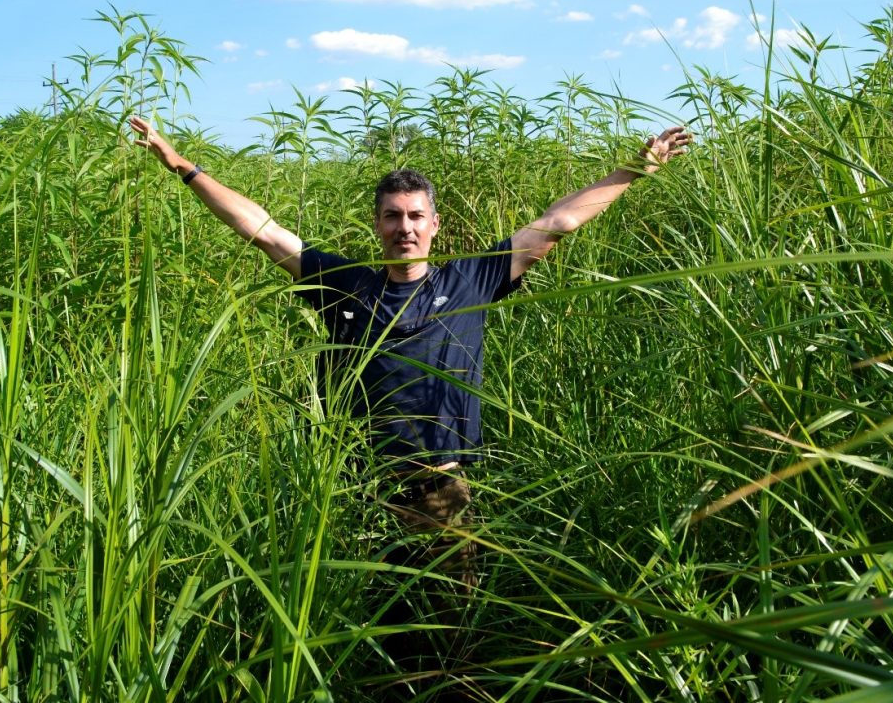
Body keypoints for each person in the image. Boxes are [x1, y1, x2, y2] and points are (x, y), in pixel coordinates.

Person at [128, 114, 691, 685]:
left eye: (416, 216)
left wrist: (637, 168)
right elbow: (264, 230)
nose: (405, 227)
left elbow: (557, 221)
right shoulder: (346, 285)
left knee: (452, 646)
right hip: (360, 496)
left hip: (443, 493)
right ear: (376, 224)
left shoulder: (473, 280)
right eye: (393, 216)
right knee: (378, 644)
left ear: (435, 224)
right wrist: (183, 167)